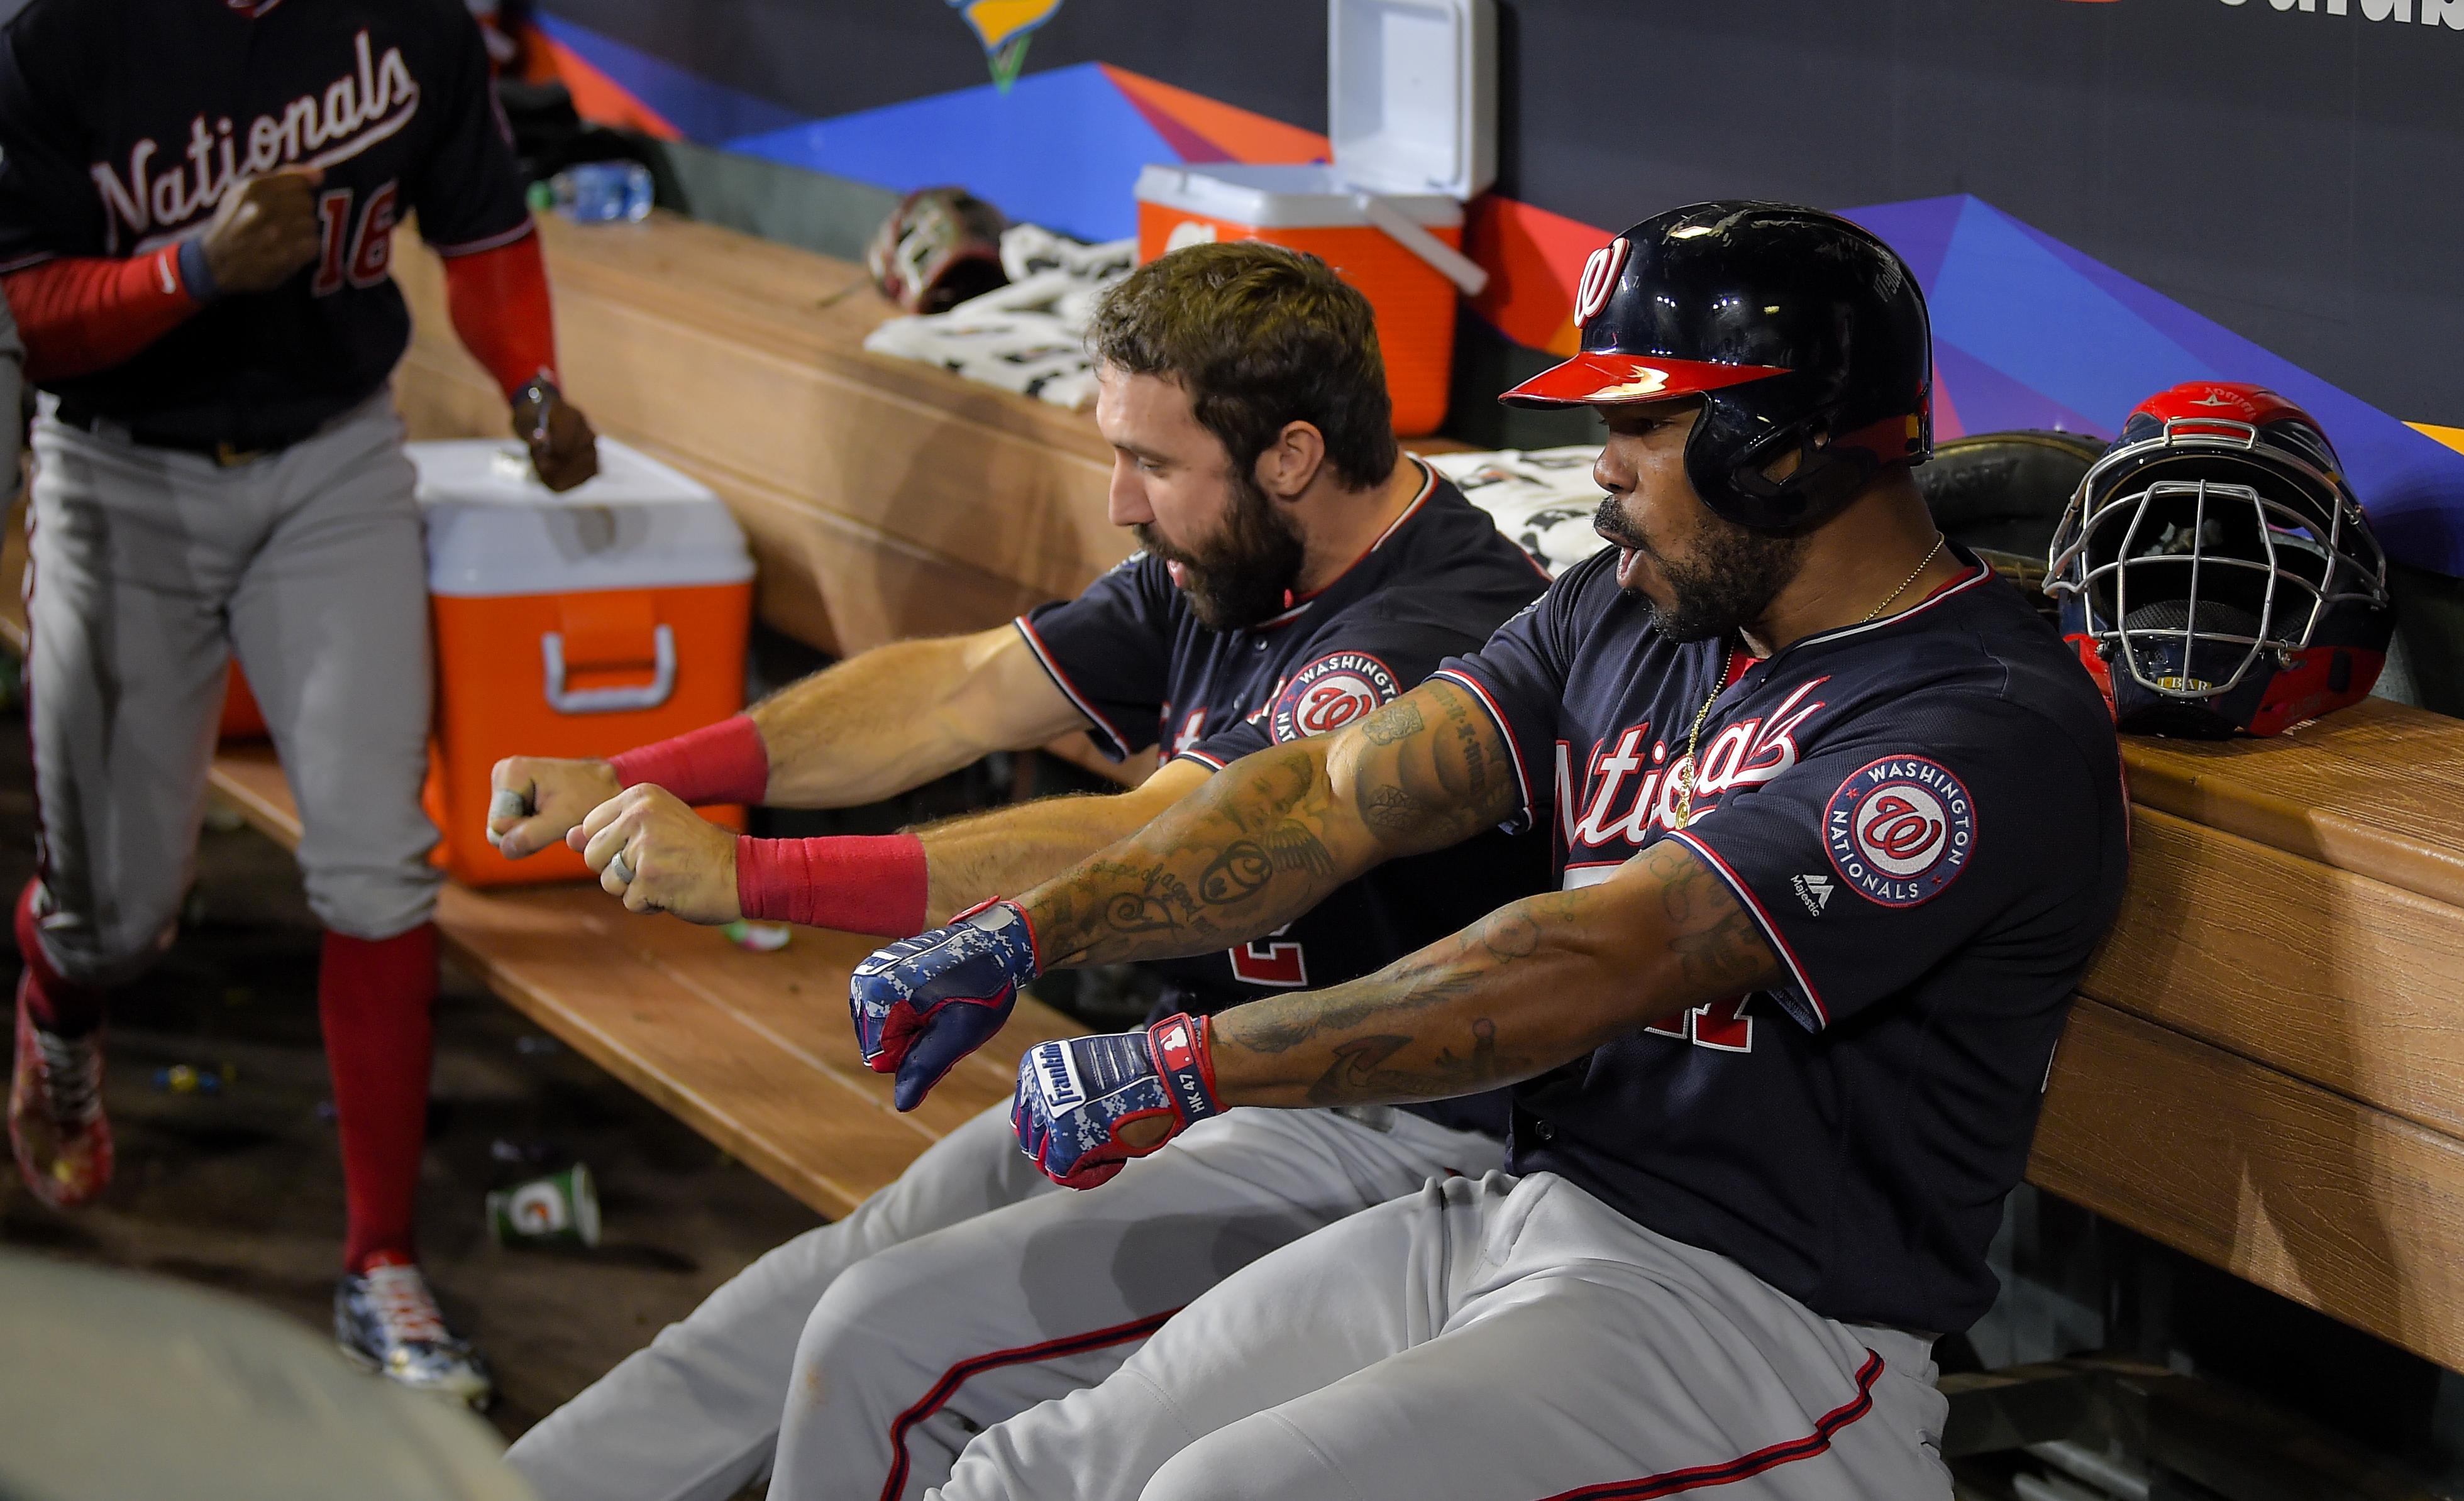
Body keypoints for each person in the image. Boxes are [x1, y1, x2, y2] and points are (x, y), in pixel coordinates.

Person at [865, 202, 2133, 1500]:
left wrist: (1195, 1062)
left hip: (1773, 1325)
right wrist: (1031, 930)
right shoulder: (1628, 608)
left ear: (1785, 451)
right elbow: (1329, 791)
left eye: (1644, 425)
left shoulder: (1975, 725)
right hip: (1528, 1210)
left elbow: (1592, 959)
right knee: (1037, 1472)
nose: (1603, 468)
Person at [486, 239, 1552, 1501]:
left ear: (1294, 457)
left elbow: (1151, 847)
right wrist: (638, 769)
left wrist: (754, 876)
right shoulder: (1235, 557)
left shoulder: (1424, 629)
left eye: (1150, 464)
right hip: (1181, 1070)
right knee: (798, 1297)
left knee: (882, 1337)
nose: (1119, 501)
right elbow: (955, 691)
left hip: (1383, 1125)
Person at [0, 0, 600, 1405]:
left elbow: (487, 235)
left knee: (377, 869)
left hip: (333, 465)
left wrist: (532, 386)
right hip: (117, 475)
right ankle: (58, 1009)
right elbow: (30, 312)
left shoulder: (409, 27)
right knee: (118, 913)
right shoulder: (60, 38)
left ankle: (379, 1261)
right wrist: (194, 269)